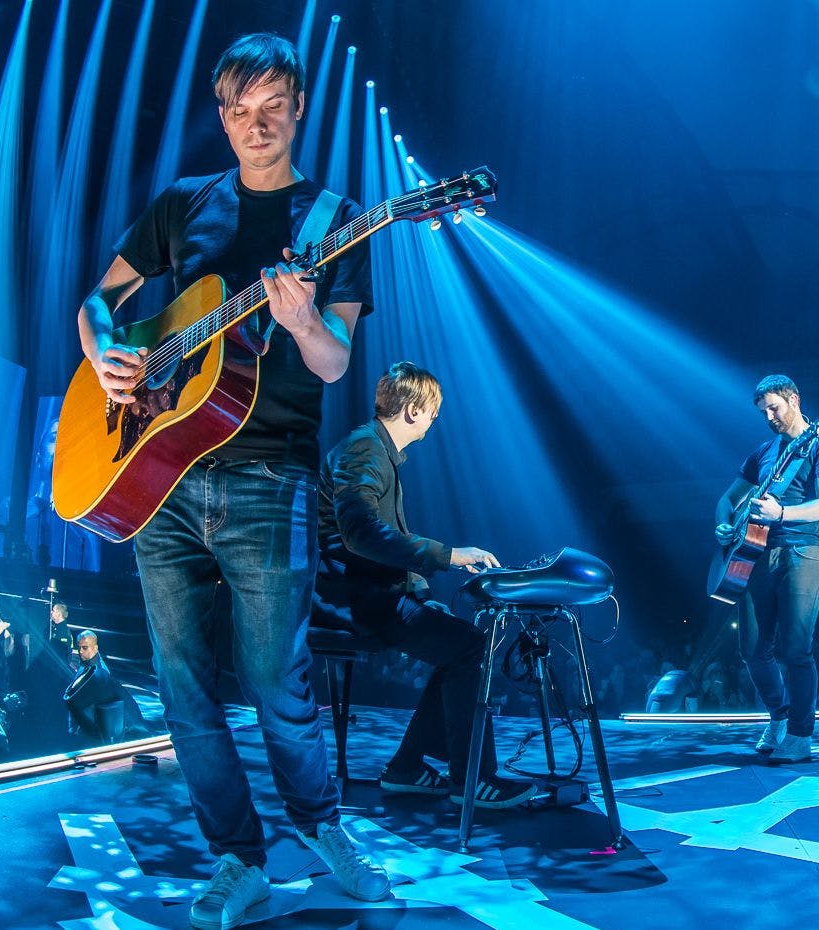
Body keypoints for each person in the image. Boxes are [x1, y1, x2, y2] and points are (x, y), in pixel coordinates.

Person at [74, 31, 386, 927]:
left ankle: (321, 827)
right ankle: (236, 858)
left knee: (275, 681)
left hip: (269, 480)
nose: (256, 126)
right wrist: (103, 354)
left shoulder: (337, 220)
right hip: (160, 472)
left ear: (296, 108)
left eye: (272, 108)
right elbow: (100, 298)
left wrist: (297, 323)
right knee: (180, 682)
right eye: (239, 111)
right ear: (222, 114)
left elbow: (333, 364)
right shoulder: (182, 205)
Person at [318, 362, 536, 809]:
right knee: (469, 645)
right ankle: (474, 778)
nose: (435, 420)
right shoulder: (364, 451)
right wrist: (450, 555)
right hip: (358, 601)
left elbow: (382, 543)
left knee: (457, 645)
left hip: (373, 593)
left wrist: (420, 589)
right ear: (414, 410)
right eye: (433, 411)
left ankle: (406, 767)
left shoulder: (376, 452)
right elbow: (360, 534)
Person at [713, 375, 819, 761]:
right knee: (752, 649)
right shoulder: (763, 452)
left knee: (795, 650)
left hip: (805, 553)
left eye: (774, 407)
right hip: (755, 555)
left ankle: (801, 735)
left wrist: (782, 512)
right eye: (763, 412)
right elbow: (728, 498)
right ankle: (779, 716)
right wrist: (723, 523)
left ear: (794, 399)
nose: (769, 416)